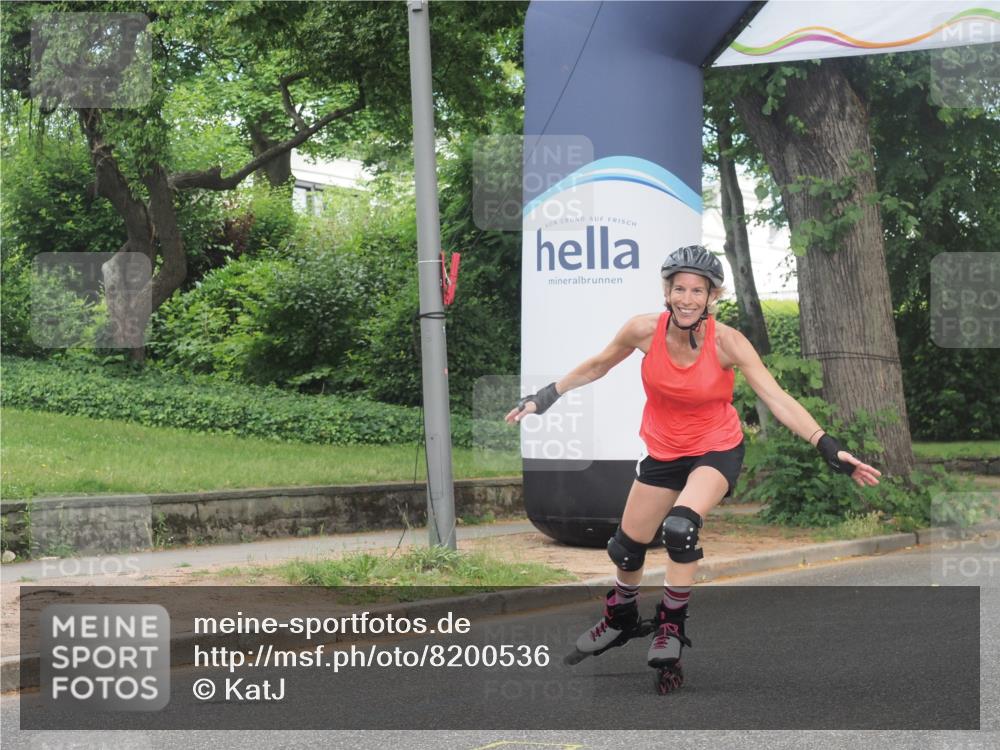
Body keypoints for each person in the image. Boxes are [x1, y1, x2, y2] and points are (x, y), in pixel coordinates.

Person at [505, 245, 882, 674]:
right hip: (664, 451)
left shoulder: (728, 343)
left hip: (715, 449)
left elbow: (775, 397)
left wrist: (826, 445)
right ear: (667, 291)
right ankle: (620, 617)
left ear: (711, 297)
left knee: (680, 528)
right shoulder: (643, 331)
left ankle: (670, 625)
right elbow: (597, 366)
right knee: (625, 549)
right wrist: (545, 397)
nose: (687, 298)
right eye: (679, 288)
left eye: (697, 291)